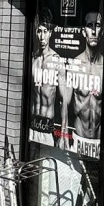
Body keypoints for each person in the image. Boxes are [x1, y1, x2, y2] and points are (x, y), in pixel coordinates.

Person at [59, 9, 103, 160]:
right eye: (90, 26)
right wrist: (64, 133)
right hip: (78, 136)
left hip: (99, 140)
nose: (93, 31)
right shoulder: (75, 64)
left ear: (101, 31)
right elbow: (65, 102)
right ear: (84, 31)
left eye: (97, 26)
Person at [29, 8, 62, 145]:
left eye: (45, 31)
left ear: (50, 33)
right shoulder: (33, 59)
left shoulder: (56, 60)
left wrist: (63, 133)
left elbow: (62, 101)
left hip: (48, 126)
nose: (42, 36)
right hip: (33, 123)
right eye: (39, 31)